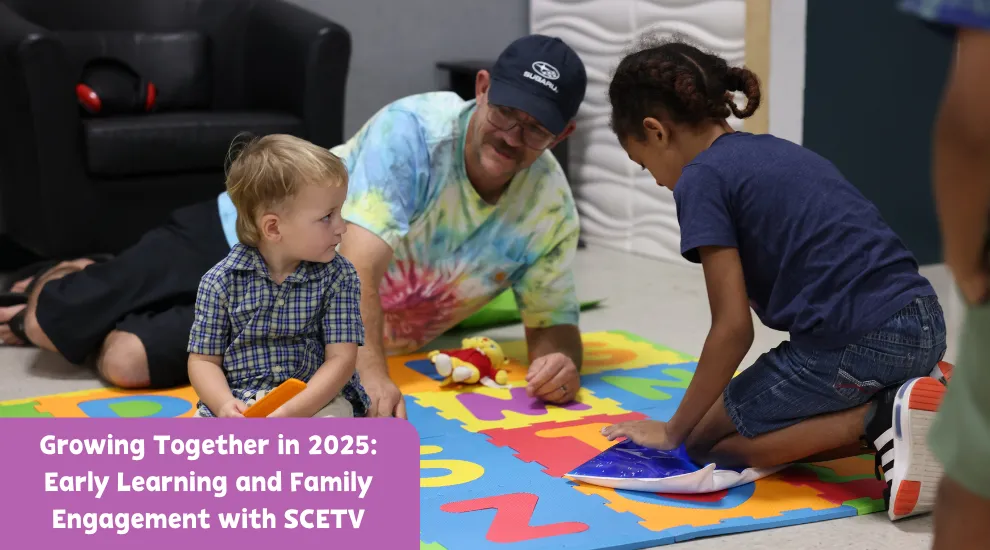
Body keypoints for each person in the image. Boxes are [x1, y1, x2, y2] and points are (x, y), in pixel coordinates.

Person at [0, 34, 588, 418]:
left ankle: (103, 286)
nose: (512, 135)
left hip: (299, 323)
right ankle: (70, 278)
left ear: (562, 136)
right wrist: (376, 379)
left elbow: (553, 329)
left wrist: (560, 365)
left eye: (535, 128)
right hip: (243, 233)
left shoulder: (550, 212)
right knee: (51, 323)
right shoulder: (415, 129)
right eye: (506, 112)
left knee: (124, 361)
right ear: (481, 90)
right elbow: (356, 261)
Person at [598, 36, 948, 521]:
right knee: (752, 419)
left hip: (859, 340)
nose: (656, 179)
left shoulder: (701, 179)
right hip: (924, 320)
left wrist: (674, 431)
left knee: (707, 442)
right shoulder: (770, 149)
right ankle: (914, 395)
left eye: (643, 165)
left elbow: (733, 329)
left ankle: (879, 413)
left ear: (656, 131)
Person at [187, 134, 367, 418]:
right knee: (197, 443)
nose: (341, 227)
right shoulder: (219, 281)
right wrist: (223, 405)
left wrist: (293, 411)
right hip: (240, 401)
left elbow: (341, 360)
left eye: (340, 212)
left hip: (315, 401)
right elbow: (203, 360)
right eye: (327, 217)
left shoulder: (339, 276)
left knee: (332, 428)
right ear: (273, 228)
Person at [899, 0, 990, 546]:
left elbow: (973, 119)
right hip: (919, 330)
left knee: (974, 488)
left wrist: (962, 258)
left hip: (859, 344)